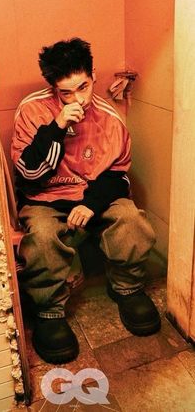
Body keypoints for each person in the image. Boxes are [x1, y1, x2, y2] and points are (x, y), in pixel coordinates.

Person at [11, 38, 161, 364]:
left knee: (131, 220)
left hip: (93, 194)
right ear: (53, 88)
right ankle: (50, 310)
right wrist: (57, 127)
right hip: (45, 197)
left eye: (84, 87)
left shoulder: (110, 117)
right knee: (41, 237)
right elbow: (28, 176)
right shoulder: (32, 110)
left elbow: (118, 176)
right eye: (66, 92)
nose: (78, 98)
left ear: (93, 75)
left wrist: (91, 204)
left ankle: (127, 288)